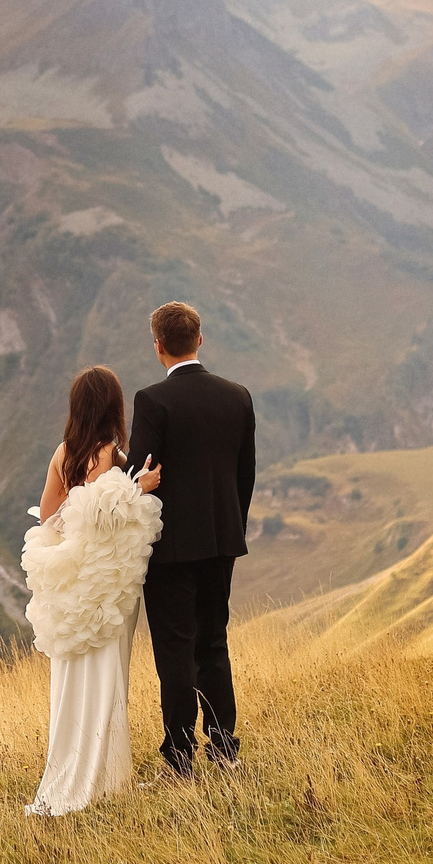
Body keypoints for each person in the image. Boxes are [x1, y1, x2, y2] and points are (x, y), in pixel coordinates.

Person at [19, 365, 163, 816]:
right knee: (106, 675)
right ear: (112, 407)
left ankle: (74, 769)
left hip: (70, 588)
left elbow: (48, 519)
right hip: (103, 591)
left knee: (71, 680)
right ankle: (98, 778)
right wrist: (139, 486)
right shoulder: (111, 456)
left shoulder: (64, 453)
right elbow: (104, 515)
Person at [126, 300, 256, 775]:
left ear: (159, 347)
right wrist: (229, 527)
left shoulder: (151, 401)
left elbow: (139, 473)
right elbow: (246, 476)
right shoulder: (237, 395)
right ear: (200, 340)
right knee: (214, 643)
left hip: (170, 551)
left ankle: (180, 758)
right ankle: (224, 749)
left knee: (175, 651)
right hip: (222, 541)